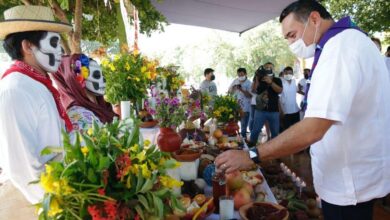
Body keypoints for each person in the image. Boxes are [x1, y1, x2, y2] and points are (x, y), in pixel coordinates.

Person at [215, 1, 390, 220]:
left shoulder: (340, 48)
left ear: (314, 20)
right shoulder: (352, 41)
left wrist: (252, 155)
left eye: (292, 34)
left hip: (349, 183)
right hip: (355, 176)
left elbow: (313, 129)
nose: (291, 43)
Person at [0, 5, 72, 218]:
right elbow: (22, 168)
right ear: (27, 46)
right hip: (39, 206)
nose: (60, 51)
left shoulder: (37, 83)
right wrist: (58, 206)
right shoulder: (15, 90)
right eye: (53, 43)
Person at [52, 54, 116, 135]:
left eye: (102, 74)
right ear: (78, 80)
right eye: (97, 75)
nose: (103, 79)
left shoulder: (101, 107)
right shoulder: (77, 116)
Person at [248, 64, 283, 146]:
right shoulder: (260, 79)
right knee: (255, 130)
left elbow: (280, 90)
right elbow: (254, 90)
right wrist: (256, 78)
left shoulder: (277, 80)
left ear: (273, 68)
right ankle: (251, 151)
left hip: (274, 110)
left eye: (270, 67)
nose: (268, 68)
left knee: (275, 132)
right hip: (260, 110)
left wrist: (271, 82)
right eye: (267, 67)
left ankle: (275, 153)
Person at [228, 68, 252, 139]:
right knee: (233, 123)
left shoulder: (249, 83)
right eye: (239, 75)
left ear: (245, 74)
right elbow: (229, 92)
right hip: (235, 106)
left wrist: (241, 89)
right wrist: (233, 88)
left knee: (243, 125)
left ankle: (243, 139)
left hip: (245, 107)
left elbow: (250, 95)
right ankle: (234, 138)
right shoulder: (235, 81)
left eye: (242, 74)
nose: (240, 76)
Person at [279, 66, 300, 132]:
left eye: (290, 73)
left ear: (292, 74)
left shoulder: (294, 81)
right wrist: (281, 111)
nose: (288, 75)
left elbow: (297, 90)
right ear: (284, 74)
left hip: (295, 110)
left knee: (296, 130)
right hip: (286, 111)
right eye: (287, 73)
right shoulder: (281, 82)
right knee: (287, 131)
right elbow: (278, 98)